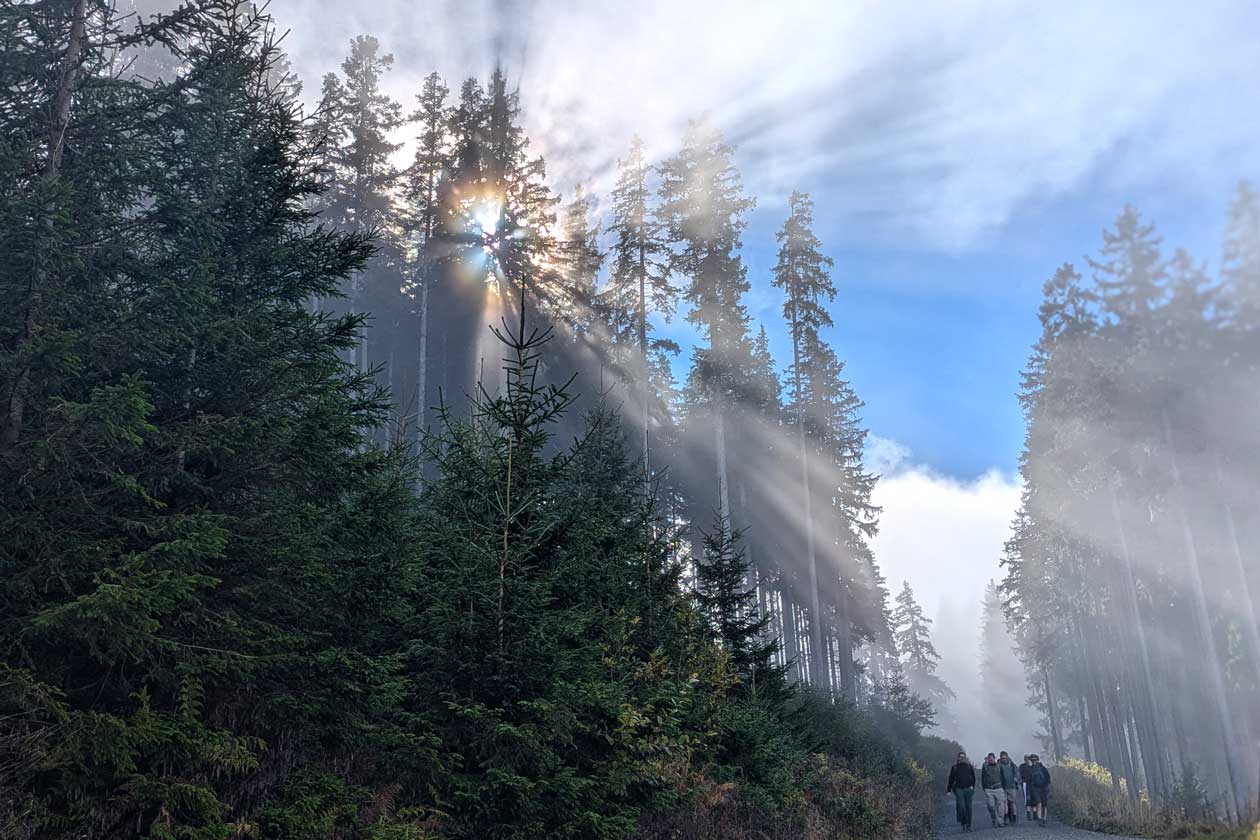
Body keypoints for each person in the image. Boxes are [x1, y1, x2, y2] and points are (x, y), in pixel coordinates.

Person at [947, 751, 976, 831]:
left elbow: (973, 778)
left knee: (969, 808)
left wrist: (972, 787)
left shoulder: (969, 766)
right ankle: (963, 822)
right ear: (958, 758)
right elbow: (951, 779)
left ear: (965, 758)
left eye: (963, 757)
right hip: (959, 789)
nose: (961, 758)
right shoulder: (955, 767)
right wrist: (948, 790)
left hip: (968, 789)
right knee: (961, 807)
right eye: (960, 757)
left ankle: (969, 826)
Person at [1026, 754, 1051, 826]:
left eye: (1035, 760)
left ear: (1037, 760)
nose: (1034, 761)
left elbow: (1048, 778)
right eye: (1032, 760)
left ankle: (1043, 819)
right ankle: (1040, 819)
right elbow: (1029, 781)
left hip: (1043, 788)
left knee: (1044, 805)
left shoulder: (1041, 768)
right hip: (1036, 789)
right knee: (1039, 803)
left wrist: (1048, 788)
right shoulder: (1034, 769)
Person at [980, 753, 1004, 828]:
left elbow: (1003, 776)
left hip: (999, 787)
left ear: (994, 758)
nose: (990, 760)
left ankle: (1000, 821)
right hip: (989, 789)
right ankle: (994, 818)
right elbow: (983, 777)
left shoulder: (999, 766)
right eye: (989, 758)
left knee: (1000, 805)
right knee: (991, 805)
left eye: (991, 758)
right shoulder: (985, 766)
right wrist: (984, 788)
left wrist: (1003, 787)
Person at [998, 751, 1021, 824]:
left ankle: (1013, 817)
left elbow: (1016, 773)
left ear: (1007, 757)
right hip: (1003, 787)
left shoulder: (1012, 764)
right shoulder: (998, 765)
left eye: (1005, 757)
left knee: (1012, 803)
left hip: (1012, 786)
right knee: (1004, 803)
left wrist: (1016, 780)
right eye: (1002, 758)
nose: (1004, 759)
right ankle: (1005, 817)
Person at [1019, 755, 1033, 822]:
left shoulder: (1032, 766)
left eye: (1028, 759)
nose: (1027, 760)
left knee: (1033, 798)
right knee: (1027, 798)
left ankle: (1034, 813)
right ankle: (1028, 814)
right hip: (1026, 783)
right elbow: (1020, 775)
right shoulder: (1022, 766)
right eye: (1026, 759)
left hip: (1032, 784)